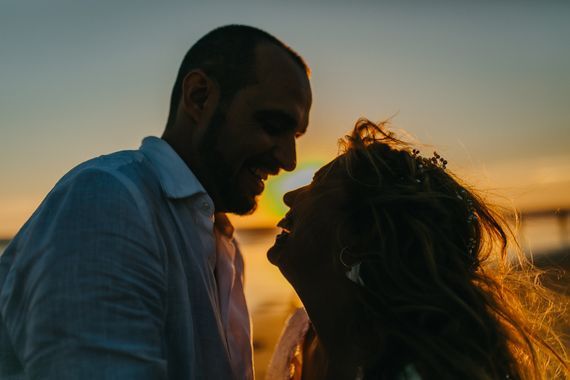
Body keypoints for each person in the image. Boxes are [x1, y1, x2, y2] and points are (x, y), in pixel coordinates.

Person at [0, 25, 312, 379]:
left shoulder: (225, 247)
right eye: (273, 125)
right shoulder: (109, 201)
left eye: (296, 135)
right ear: (198, 97)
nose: (288, 160)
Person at [266, 119, 569, 379]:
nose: (290, 196)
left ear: (359, 238)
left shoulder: (417, 370)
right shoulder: (301, 338)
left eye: (316, 185)